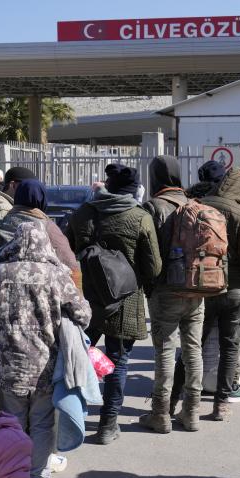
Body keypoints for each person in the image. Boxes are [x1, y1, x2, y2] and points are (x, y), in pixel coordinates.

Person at [0, 221, 91, 478]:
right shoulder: (56, 274)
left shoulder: (0, 272)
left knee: (11, 422)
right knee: (42, 423)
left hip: (8, 365)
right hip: (45, 364)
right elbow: (82, 313)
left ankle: (11, 476)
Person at [65, 164, 161, 444]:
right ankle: (108, 425)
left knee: (79, 354)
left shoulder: (83, 213)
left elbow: (67, 255)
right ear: (132, 191)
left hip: (85, 298)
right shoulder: (139, 217)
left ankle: (74, 416)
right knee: (118, 361)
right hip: (125, 300)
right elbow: (154, 267)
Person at [180, 166, 240, 420]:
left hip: (200, 287)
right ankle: (221, 405)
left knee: (192, 346)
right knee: (230, 348)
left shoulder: (199, 205)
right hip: (234, 291)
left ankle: (178, 401)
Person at [139, 155, 206, 433]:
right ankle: (191, 413)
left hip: (166, 289)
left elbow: (146, 251)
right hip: (196, 287)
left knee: (165, 350)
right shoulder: (195, 205)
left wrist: (149, 283)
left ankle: (161, 414)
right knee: (193, 349)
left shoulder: (153, 207)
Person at [0, 178, 81, 290]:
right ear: (42, 199)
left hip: (2, 297)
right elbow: (71, 267)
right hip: (42, 298)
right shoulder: (49, 228)